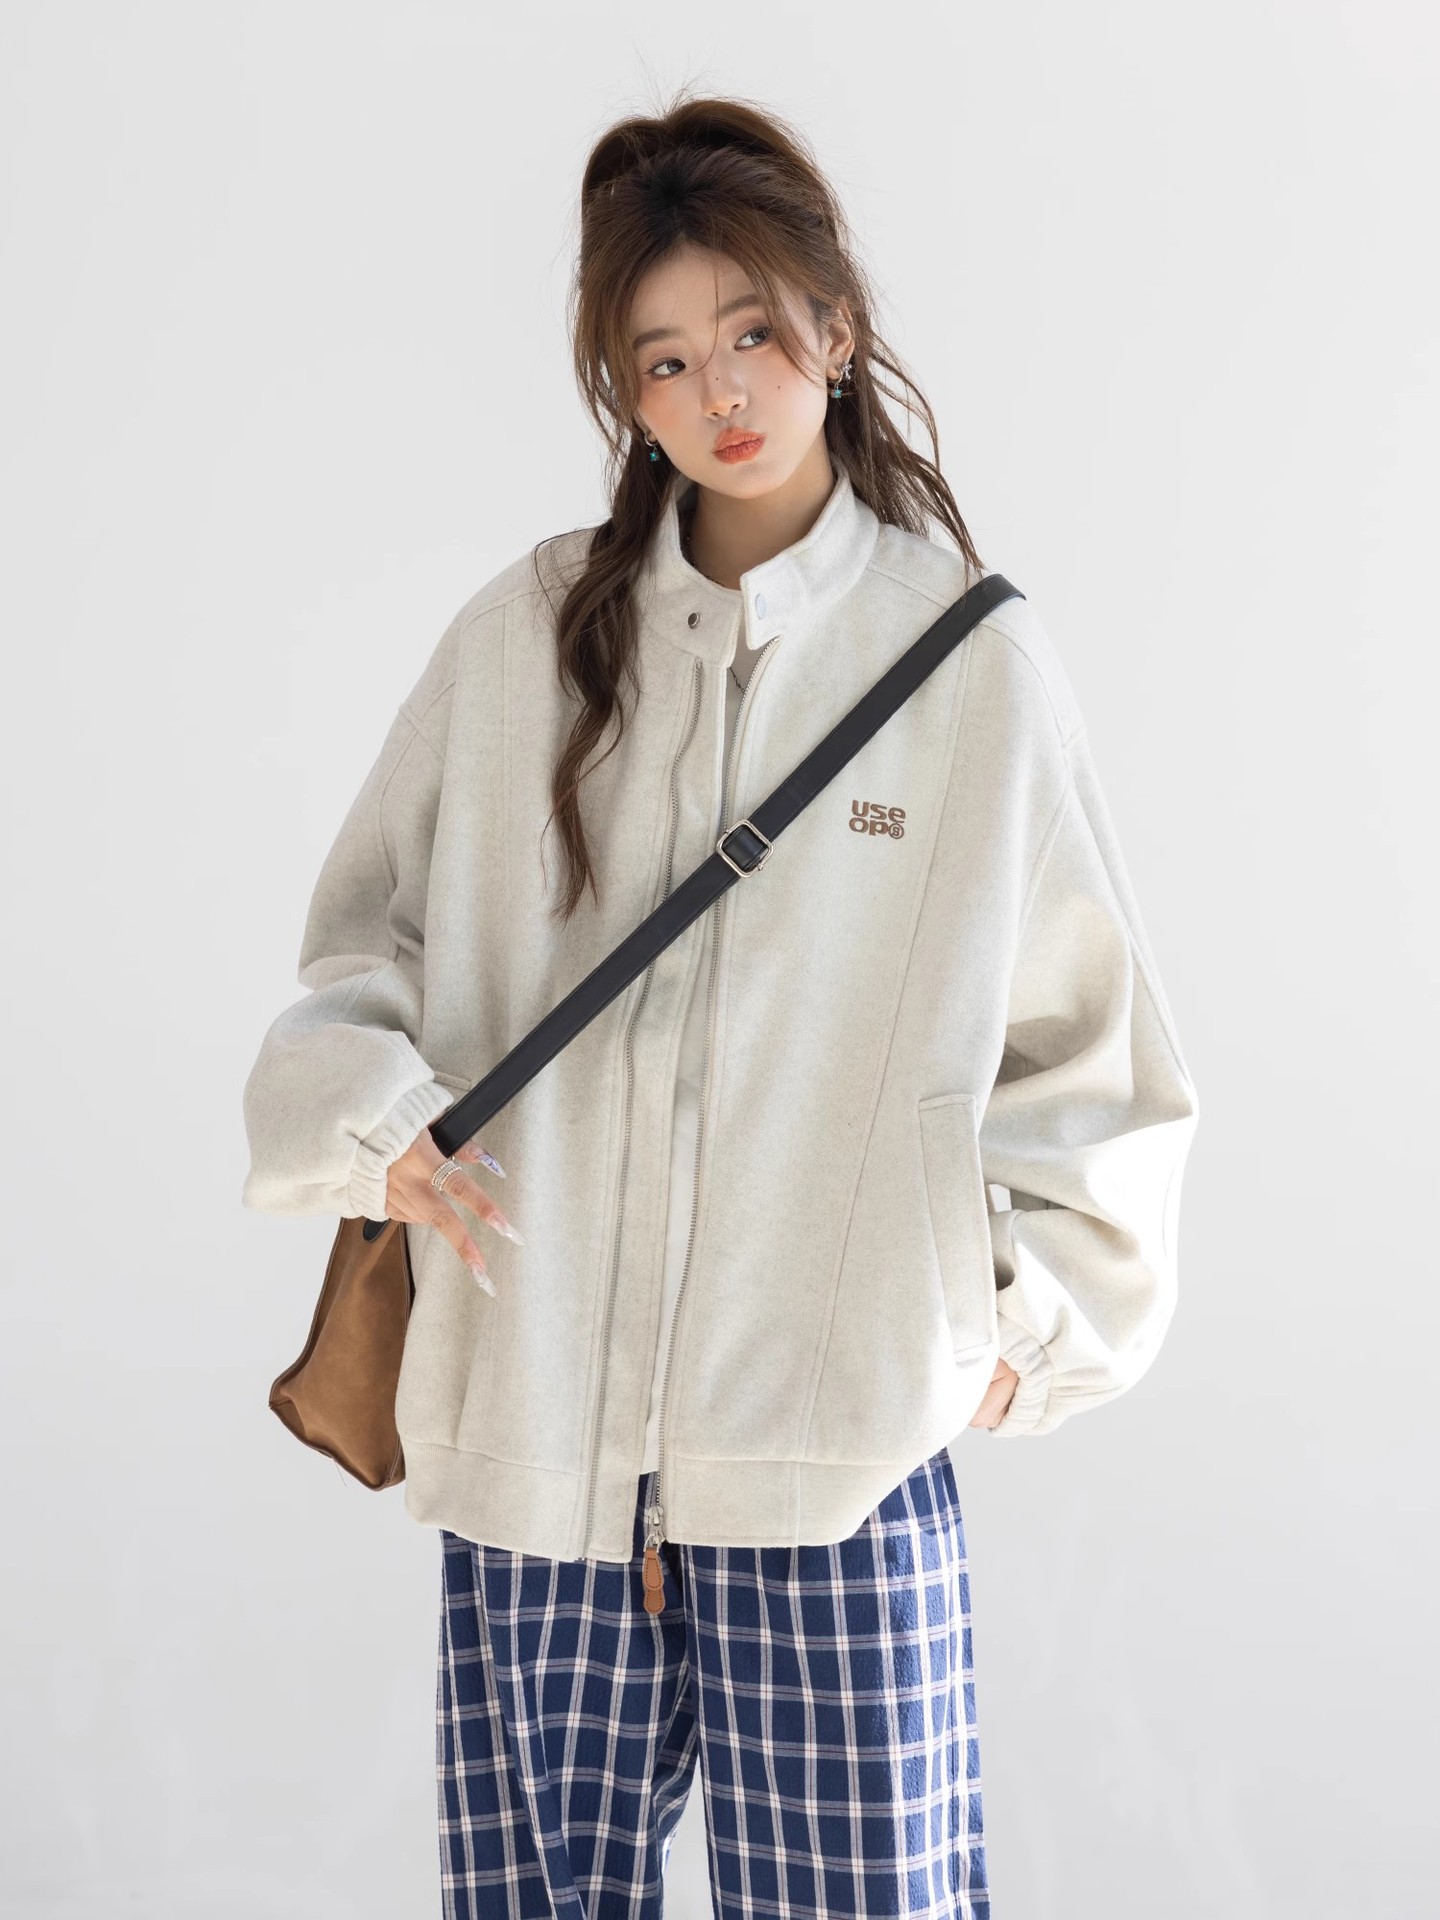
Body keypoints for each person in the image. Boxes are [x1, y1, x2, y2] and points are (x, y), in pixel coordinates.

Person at [240, 89, 1200, 1920]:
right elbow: (358, 954)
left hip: (835, 1456)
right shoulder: (527, 640)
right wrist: (381, 1128)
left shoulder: (972, 668)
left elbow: (1102, 1055)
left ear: (834, 327)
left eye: (752, 332)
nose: (720, 393)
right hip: (538, 1440)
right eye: (664, 361)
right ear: (627, 395)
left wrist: (1023, 1320)